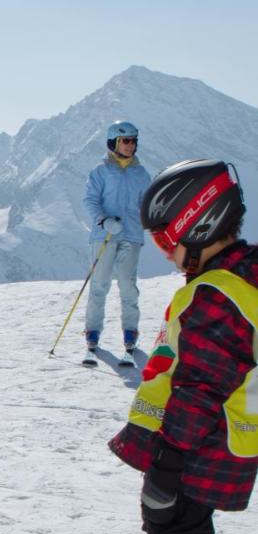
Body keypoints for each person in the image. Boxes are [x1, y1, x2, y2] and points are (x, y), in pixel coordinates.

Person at [101, 159, 255, 534]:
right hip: (220, 442)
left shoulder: (216, 294)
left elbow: (198, 387)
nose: (165, 253)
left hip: (197, 447)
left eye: (167, 240)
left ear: (198, 223)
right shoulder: (243, 277)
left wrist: (167, 460)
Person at [82, 120, 152, 367]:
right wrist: (103, 220)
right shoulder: (100, 171)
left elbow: (147, 204)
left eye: (134, 141)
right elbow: (90, 200)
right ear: (113, 142)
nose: (131, 145)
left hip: (131, 236)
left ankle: (130, 334)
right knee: (99, 285)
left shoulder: (141, 174)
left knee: (128, 286)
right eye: (126, 141)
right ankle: (92, 334)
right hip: (105, 236)